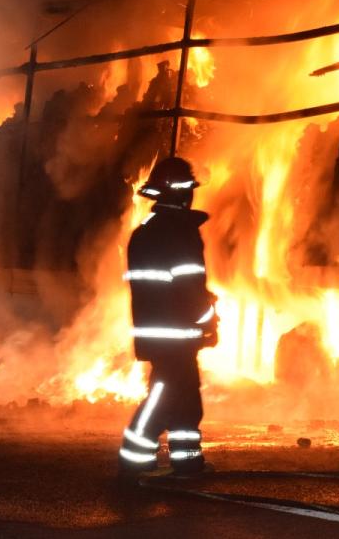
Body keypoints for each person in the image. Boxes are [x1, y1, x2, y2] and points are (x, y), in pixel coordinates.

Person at [118, 156, 218, 479]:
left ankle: (187, 461)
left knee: (186, 398)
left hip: (159, 332)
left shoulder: (145, 233)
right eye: (189, 189)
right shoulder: (181, 234)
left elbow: (161, 287)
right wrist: (208, 322)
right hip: (176, 334)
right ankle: (134, 457)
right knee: (164, 398)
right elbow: (191, 287)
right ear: (182, 193)